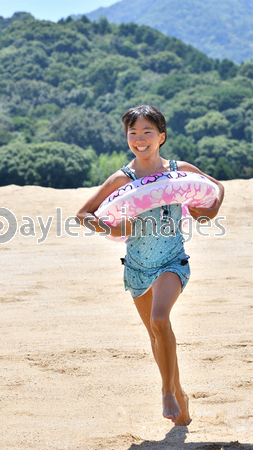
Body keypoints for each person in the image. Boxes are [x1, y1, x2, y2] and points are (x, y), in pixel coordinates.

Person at [76, 105, 224, 426]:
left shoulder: (178, 170)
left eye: (147, 132)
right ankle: (180, 391)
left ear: (161, 136)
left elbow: (216, 189)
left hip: (173, 260)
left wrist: (207, 212)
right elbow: (83, 214)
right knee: (155, 335)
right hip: (137, 265)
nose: (139, 139)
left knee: (160, 319)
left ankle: (166, 391)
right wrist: (110, 228)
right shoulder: (122, 178)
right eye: (133, 132)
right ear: (126, 137)